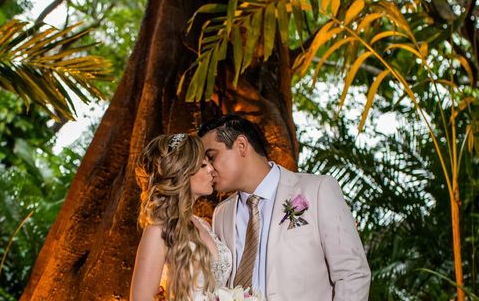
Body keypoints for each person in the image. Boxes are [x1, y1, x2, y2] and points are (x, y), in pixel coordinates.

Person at [199, 114, 371, 301]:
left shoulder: (318, 190)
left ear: (241, 145)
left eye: (211, 157)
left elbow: (352, 274)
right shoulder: (222, 213)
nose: (208, 168)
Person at [130, 133, 232, 301]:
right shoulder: (158, 230)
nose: (212, 169)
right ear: (182, 172)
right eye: (203, 165)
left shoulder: (204, 224)